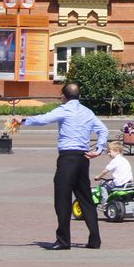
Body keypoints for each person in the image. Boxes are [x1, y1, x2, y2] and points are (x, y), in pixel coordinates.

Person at [16, 82, 108, 250]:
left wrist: (22, 121)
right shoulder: (88, 112)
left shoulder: (64, 110)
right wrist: (99, 149)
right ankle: (95, 240)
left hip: (67, 159)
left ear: (64, 96)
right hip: (83, 159)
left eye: (61, 95)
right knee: (86, 199)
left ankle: (63, 240)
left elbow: (43, 119)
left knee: (62, 199)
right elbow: (103, 130)